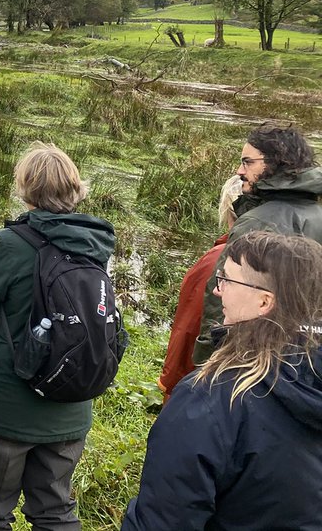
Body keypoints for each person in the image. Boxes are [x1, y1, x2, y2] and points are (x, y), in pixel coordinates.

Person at [0, 142, 116, 531]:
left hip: (6, 409)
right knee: (55, 509)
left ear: (25, 189)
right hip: (72, 401)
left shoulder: (10, 246)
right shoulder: (95, 245)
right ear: (76, 188)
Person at [121, 231, 322, 531]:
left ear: (264, 302)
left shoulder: (211, 400)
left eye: (227, 280)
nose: (218, 290)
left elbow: (163, 521)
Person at [194, 123, 322, 363]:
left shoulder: (257, 223)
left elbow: (222, 296)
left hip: (253, 356)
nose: (239, 171)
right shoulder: (318, 214)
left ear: (276, 162)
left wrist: (206, 362)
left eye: (247, 162)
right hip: (307, 359)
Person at [157, 175, 241, 400]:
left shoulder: (218, 260)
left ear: (227, 209)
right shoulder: (286, 256)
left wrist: (170, 384)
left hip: (209, 385)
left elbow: (187, 328)